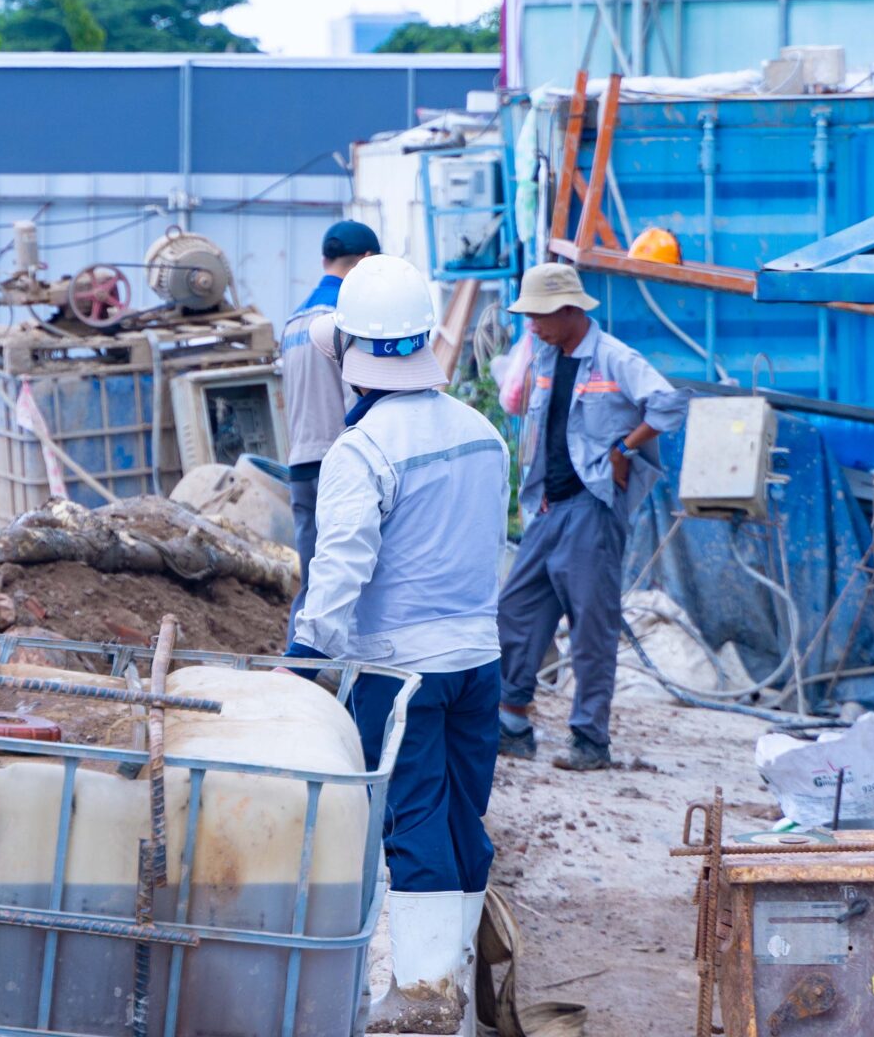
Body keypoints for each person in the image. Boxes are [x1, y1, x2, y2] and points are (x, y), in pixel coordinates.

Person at [286, 254, 505, 1034]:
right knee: (461, 822)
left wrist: (306, 659)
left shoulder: (363, 450)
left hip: (399, 671)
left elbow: (341, 565)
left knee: (412, 825)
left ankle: (422, 1002)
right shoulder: (482, 435)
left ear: (353, 351)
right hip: (479, 662)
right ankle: (458, 996)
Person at [495, 262, 688, 772]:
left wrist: (626, 447)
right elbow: (531, 419)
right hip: (549, 504)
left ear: (568, 310)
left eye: (538, 316)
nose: (531, 326)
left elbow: (668, 404)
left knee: (590, 624)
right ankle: (512, 723)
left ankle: (589, 739)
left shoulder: (613, 357)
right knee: (517, 608)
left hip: (592, 508)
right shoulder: (543, 353)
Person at [280, 220, 382, 595]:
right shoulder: (347, 316)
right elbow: (360, 393)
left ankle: (297, 654)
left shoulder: (294, 321)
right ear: (367, 260)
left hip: (301, 466)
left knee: (312, 588)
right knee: (354, 585)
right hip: (341, 465)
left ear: (326, 259)